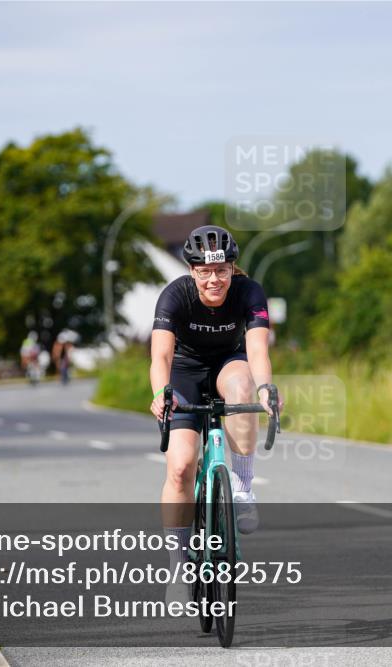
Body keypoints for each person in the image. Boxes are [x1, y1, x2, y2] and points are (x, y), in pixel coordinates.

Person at [149, 225, 283, 600]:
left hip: (229, 363)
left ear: (232, 268)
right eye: (205, 272)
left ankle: (241, 488)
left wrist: (266, 389)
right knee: (180, 467)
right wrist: (161, 392)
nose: (214, 279)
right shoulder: (174, 296)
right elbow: (160, 355)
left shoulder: (249, 292)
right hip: (185, 373)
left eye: (222, 270)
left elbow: (257, 352)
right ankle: (178, 564)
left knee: (243, 389)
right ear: (192, 271)